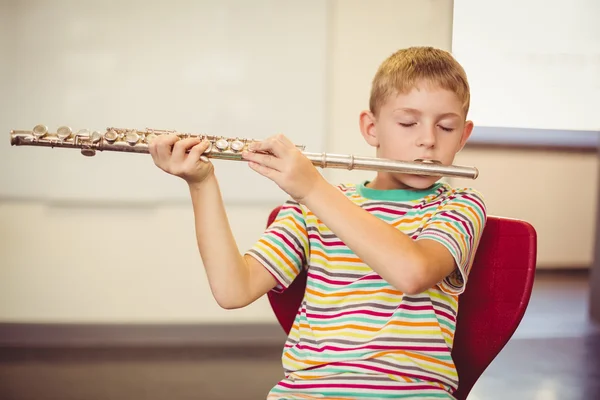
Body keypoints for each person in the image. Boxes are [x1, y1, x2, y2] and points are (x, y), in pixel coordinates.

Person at [149, 46, 487, 400]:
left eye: (446, 127)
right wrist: (201, 184)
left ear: (463, 136)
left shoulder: (459, 205)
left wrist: (312, 187)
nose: (428, 140)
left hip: (412, 394)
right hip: (308, 392)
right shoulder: (311, 208)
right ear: (372, 128)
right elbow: (234, 290)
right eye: (407, 123)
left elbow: (412, 273)